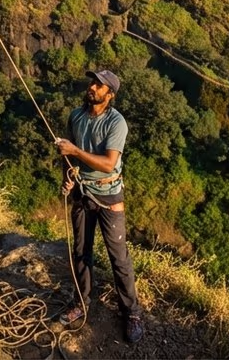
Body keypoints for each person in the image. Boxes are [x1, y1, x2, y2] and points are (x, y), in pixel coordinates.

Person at [55, 70, 145, 344]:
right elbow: (67, 156)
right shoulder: (77, 116)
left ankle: (132, 313)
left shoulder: (116, 123)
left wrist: (75, 152)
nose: (92, 87)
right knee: (82, 251)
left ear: (110, 95)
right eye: (92, 82)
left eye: (99, 85)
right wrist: (68, 177)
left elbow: (107, 163)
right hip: (82, 192)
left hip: (108, 194)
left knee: (118, 257)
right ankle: (81, 302)